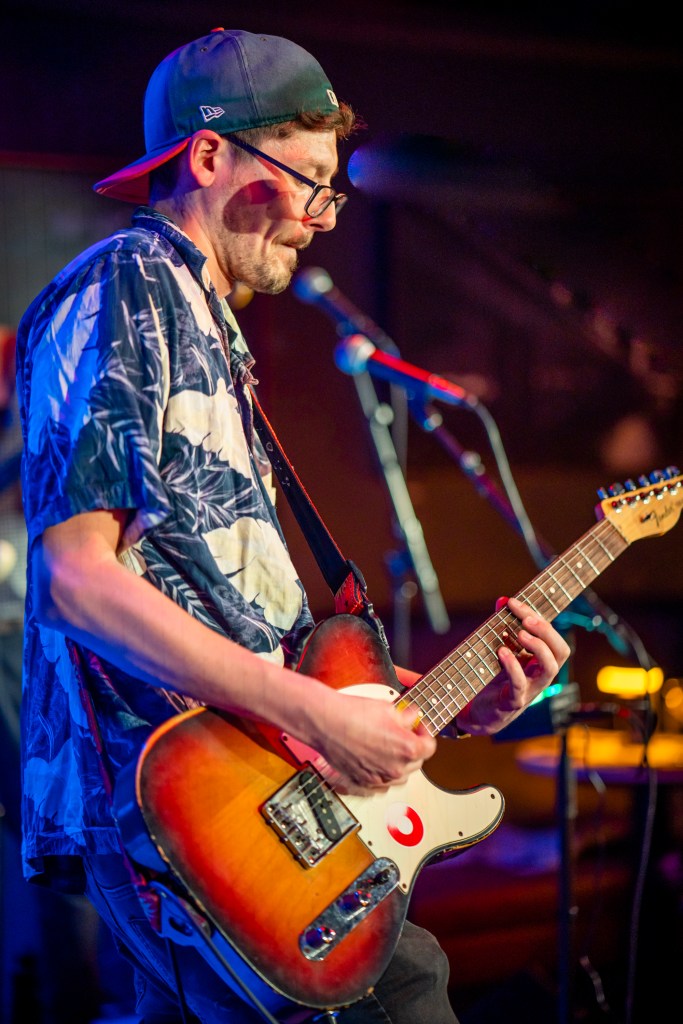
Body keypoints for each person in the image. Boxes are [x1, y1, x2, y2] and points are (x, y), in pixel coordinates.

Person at [15, 27, 570, 1024]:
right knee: (405, 992)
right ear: (209, 155)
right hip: (173, 805)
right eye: (311, 181)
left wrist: (437, 707)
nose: (320, 218)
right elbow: (75, 581)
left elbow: (220, 611)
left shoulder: (207, 323)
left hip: (242, 802)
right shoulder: (127, 285)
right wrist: (316, 717)